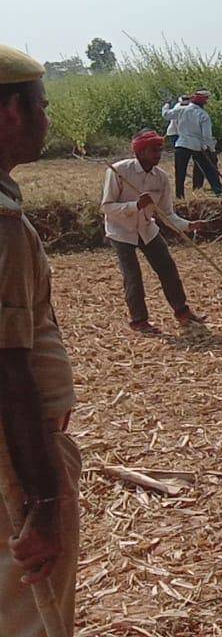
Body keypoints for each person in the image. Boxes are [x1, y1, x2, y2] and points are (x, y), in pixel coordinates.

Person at [0, 45, 80, 636]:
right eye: (41, 105)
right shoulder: (2, 228)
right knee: (34, 616)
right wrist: (44, 503)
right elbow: (8, 368)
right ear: (10, 112)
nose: (47, 119)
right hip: (11, 462)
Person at [103, 129, 206, 333]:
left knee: (167, 268)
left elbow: (167, 214)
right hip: (121, 231)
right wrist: (136, 206)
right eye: (153, 150)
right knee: (132, 275)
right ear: (140, 152)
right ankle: (139, 321)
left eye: (160, 149)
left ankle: (182, 311)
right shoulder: (118, 171)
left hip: (147, 229)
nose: (158, 154)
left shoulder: (161, 178)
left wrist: (187, 225)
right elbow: (106, 207)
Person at [169, 88, 222, 198]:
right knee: (208, 169)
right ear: (203, 103)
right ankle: (218, 191)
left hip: (181, 144)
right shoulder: (203, 115)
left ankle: (179, 196)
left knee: (180, 173)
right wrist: (211, 150)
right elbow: (207, 136)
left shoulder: (181, 109)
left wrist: (166, 104)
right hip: (196, 146)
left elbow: (166, 115)